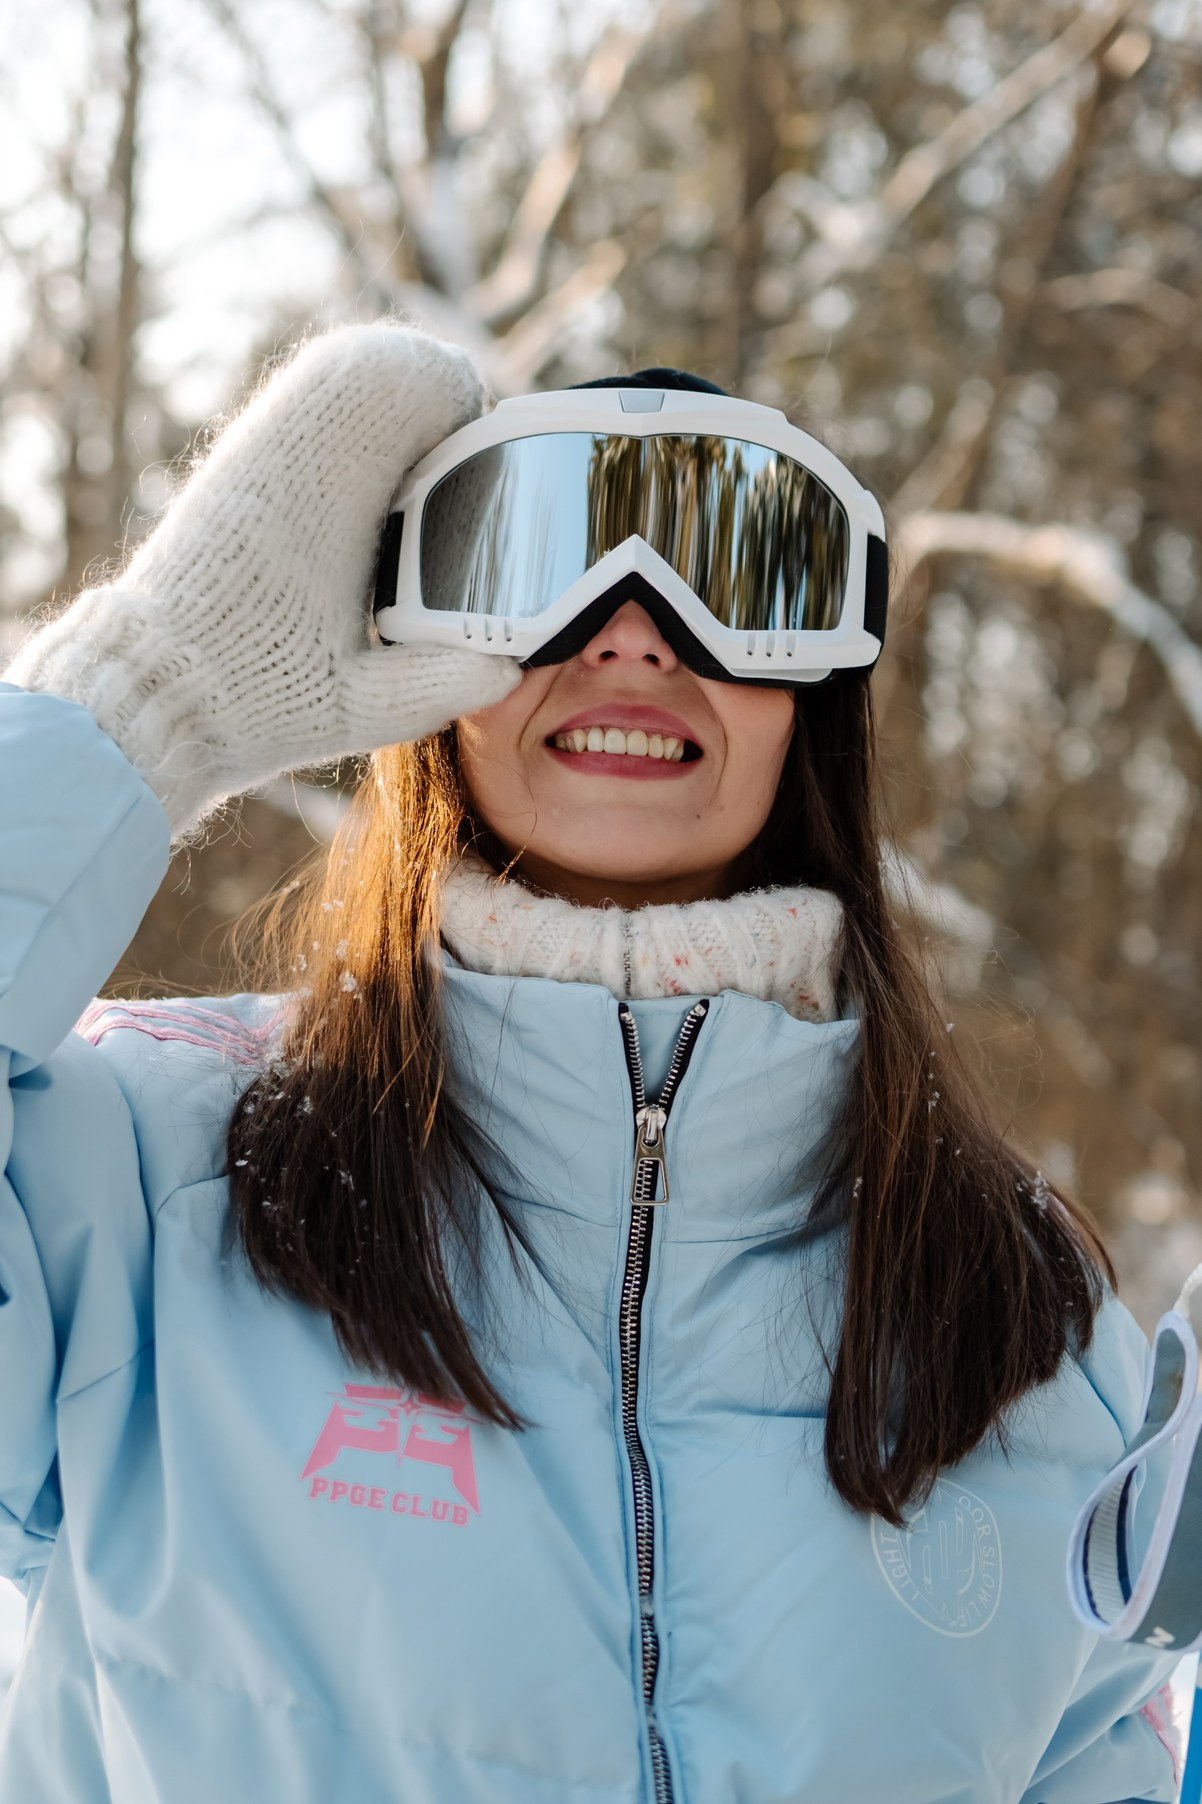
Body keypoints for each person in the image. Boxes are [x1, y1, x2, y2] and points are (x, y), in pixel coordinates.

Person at [0, 321, 1182, 1804]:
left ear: (808, 691)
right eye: (541, 562)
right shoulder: (144, 1180)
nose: (632, 634)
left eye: (732, 568)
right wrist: (148, 693)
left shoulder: (1021, 1317)